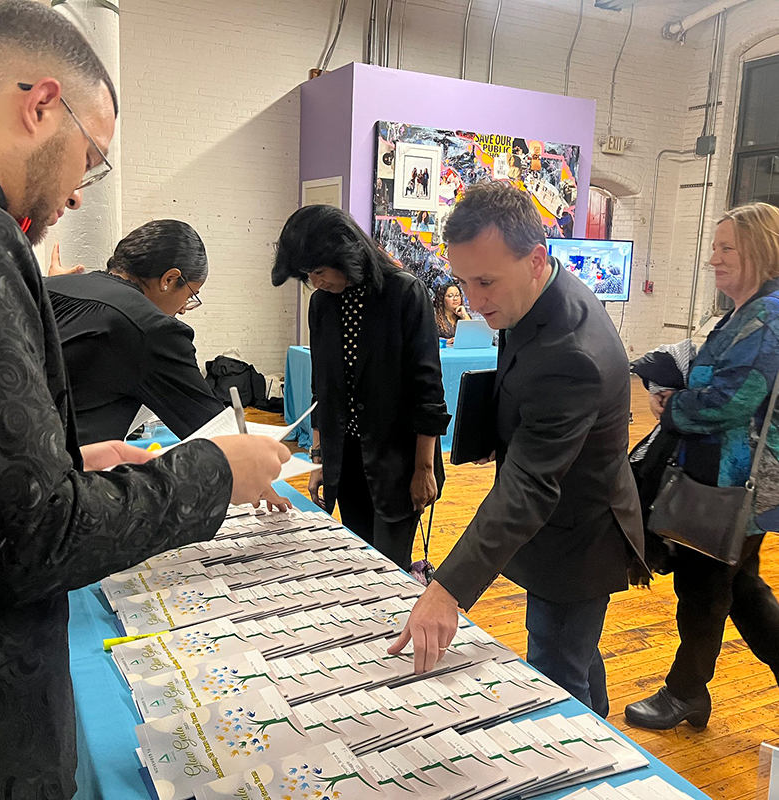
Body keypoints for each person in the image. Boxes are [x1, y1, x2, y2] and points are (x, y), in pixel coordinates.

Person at [0, 3, 288, 798]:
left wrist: (61, 459)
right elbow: (36, 539)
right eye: (91, 157)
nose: (77, 192)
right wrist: (214, 471)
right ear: (40, 105)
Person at [389, 182, 645, 718]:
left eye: (485, 282)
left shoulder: (571, 352)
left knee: (556, 670)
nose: (474, 301)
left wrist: (447, 591)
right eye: (462, 281)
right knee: (576, 656)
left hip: (577, 533)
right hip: (561, 516)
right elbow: (524, 382)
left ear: (535, 259)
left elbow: (529, 487)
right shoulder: (536, 293)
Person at [624, 203, 779, 730]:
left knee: (703, 586)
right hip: (724, 480)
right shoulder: (747, 312)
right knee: (738, 588)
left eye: (726, 247)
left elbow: (733, 398)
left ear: (760, 250)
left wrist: (675, 405)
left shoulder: (768, 317)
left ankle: (685, 692)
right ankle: (690, 692)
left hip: (729, 483)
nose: (713, 258)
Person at [271, 205, 450, 569]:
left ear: (346, 254)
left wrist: (424, 469)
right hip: (348, 461)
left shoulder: (404, 294)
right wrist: (320, 459)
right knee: (357, 562)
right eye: (308, 275)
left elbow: (428, 393)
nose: (316, 282)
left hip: (398, 462)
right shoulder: (322, 305)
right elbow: (322, 391)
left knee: (390, 567)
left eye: (319, 271)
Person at [47, 219, 225, 444]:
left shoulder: (49, 286)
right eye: (190, 295)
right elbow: (212, 429)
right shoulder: (153, 328)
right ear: (169, 279)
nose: (183, 309)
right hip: (68, 469)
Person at [434, 279, 471, 344]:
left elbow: (473, 335)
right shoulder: (434, 316)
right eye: (450, 296)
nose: (455, 299)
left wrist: (465, 316)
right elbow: (427, 337)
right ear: (442, 299)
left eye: (457, 295)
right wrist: (445, 341)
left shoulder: (463, 315)